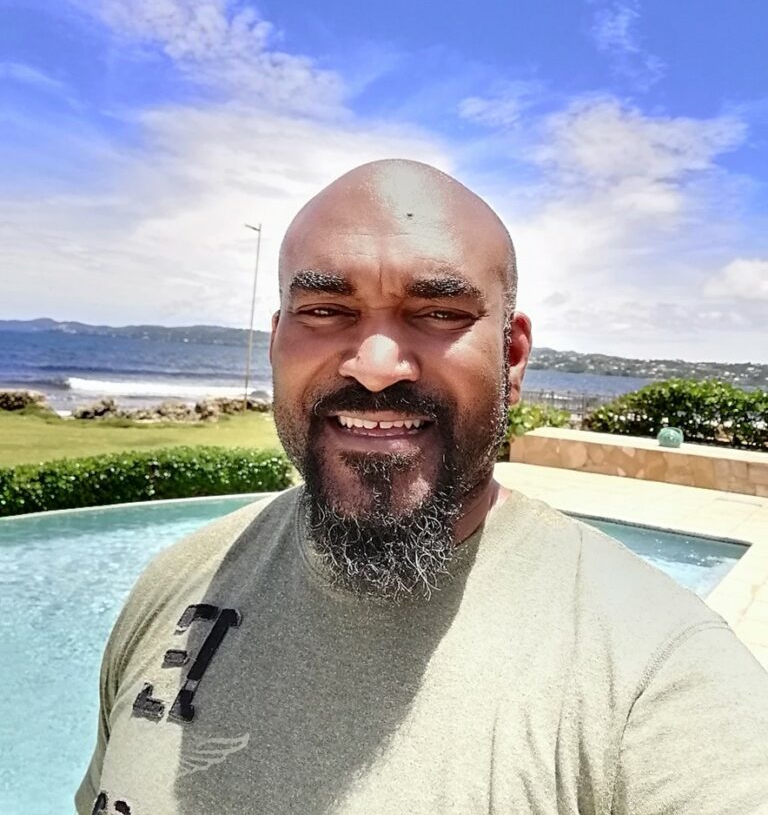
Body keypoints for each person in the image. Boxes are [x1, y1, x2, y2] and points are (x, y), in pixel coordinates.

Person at [77, 160, 768, 815]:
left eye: (439, 313)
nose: (376, 366)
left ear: (513, 357)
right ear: (276, 343)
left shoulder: (660, 674)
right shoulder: (175, 583)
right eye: (324, 309)